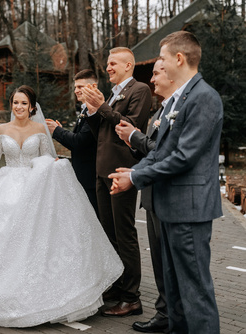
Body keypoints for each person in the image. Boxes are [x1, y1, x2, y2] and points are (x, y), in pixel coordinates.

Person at [0, 85, 123, 327]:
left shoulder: (41, 129)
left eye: (23, 103)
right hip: (6, 185)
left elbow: (46, 157)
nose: (19, 107)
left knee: (34, 238)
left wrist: (53, 164)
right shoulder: (2, 129)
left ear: (32, 106)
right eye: (15, 103)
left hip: (35, 189)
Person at [109, 31, 222, 334]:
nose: (157, 64)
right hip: (171, 206)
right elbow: (160, 152)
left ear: (179, 59)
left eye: (161, 58)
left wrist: (134, 176)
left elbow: (184, 156)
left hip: (190, 210)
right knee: (174, 290)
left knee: (195, 292)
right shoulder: (180, 99)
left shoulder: (203, 98)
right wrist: (132, 174)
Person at [82, 47, 152, 316]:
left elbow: (130, 126)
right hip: (102, 170)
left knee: (125, 235)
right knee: (108, 235)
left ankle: (132, 297)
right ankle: (116, 285)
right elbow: (101, 132)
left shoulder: (140, 90)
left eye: (113, 63)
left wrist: (102, 106)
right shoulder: (110, 94)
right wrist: (92, 112)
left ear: (128, 65)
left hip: (121, 171)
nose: (108, 67)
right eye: (108, 63)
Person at [115, 59, 176, 333]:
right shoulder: (161, 108)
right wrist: (134, 156)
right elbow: (151, 153)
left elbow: (163, 152)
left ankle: (170, 315)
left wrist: (135, 136)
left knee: (170, 264)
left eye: (156, 72)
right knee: (160, 263)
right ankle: (164, 314)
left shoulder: (177, 109)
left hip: (167, 197)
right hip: (151, 195)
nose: (152, 79)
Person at [46, 69, 99, 216]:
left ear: (93, 87)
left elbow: (80, 142)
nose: (76, 90)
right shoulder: (84, 110)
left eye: (80, 87)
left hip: (91, 178)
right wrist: (61, 131)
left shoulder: (95, 111)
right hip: (83, 176)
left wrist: (57, 131)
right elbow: (78, 140)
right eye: (75, 87)